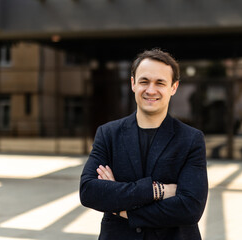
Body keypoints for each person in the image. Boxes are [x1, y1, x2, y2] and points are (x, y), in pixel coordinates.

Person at [80, 48, 208, 240]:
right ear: (133, 83)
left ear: (173, 87)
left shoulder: (191, 139)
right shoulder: (108, 134)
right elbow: (89, 191)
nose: (150, 90)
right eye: (144, 81)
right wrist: (156, 190)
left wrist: (124, 210)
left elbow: (190, 208)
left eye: (160, 83)